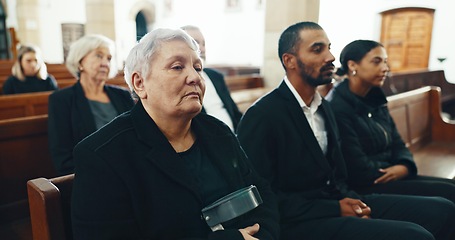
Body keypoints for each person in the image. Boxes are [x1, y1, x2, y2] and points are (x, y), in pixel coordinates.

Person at [236, 21, 455, 240]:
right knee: (415, 235)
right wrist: (336, 209)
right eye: (317, 49)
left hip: (337, 201)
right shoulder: (263, 116)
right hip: (297, 221)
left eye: (329, 47)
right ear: (290, 60)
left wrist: (354, 205)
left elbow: (337, 177)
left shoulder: (324, 108)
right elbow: (262, 198)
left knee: (442, 210)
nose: (330, 56)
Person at [70, 28, 279, 240]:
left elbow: (261, 193)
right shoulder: (103, 156)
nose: (195, 77)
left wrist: (264, 235)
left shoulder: (217, 131)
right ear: (140, 83)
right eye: (177, 67)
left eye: (198, 67)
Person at [325, 39, 455, 202]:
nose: (385, 68)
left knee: (451, 188)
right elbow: (356, 167)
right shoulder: (338, 107)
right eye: (377, 61)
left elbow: (397, 142)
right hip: (369, 185)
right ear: (352, 65)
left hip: (392, 173)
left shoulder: (375, 98)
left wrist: (404, 166)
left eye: (385, 62)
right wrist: (393, 170)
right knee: (447, 198)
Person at [48, 34, 134, 175]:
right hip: (91, 176)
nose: (105, 63)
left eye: (109, 58)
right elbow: (62, 157)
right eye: (99, 56)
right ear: (80, 62)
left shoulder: (122, 95)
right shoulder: (61, 100)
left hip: (130, 170)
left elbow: (139, 136)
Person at [181, 25, 242, 132]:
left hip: (234, 136)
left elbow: (235, 112)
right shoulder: (182, 81)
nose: (202, 49)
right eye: (196, 43)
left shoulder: (216, 76)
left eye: (204, 44)